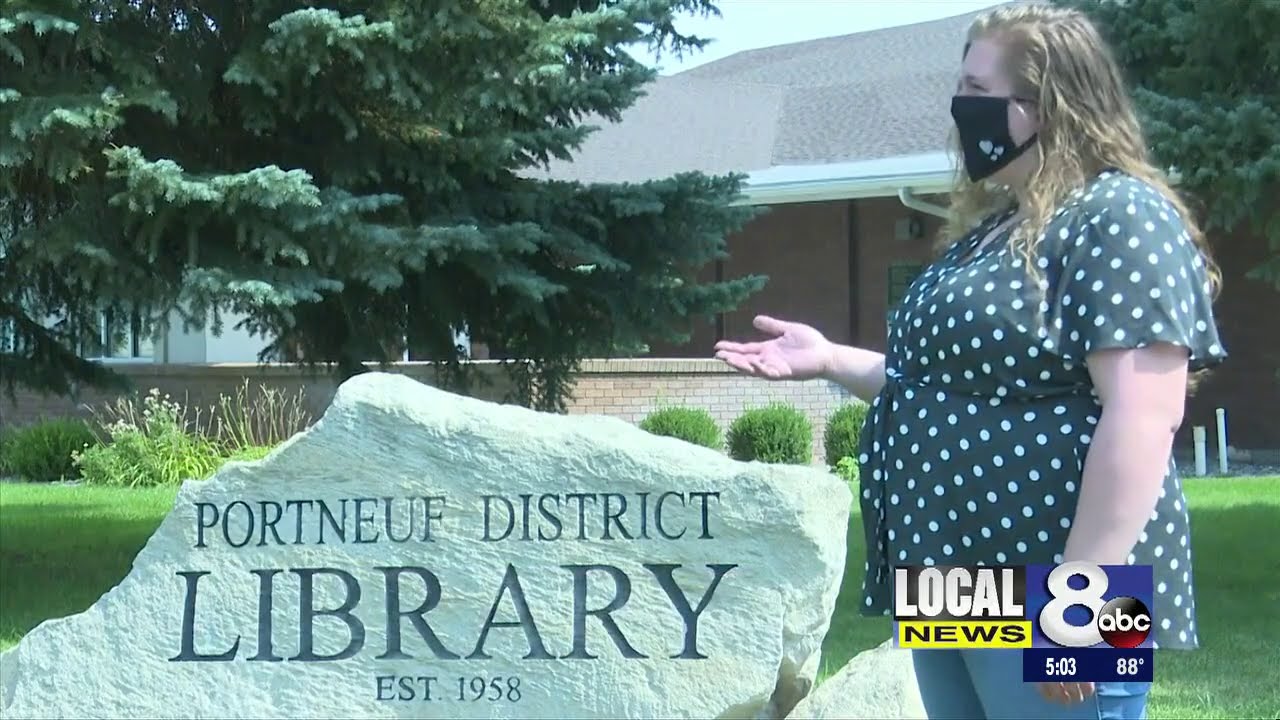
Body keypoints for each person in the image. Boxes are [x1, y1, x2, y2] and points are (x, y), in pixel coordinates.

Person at [714, 4, 1227, 719]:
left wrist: (1076, 603)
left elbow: (1144, 413)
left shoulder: (1120, 215)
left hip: (1058, 584)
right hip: (951, 574)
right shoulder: (1001, 229)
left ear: (1049, 103)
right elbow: (947, 390)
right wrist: (832, 358)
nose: (961, 109)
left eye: (978, 91)